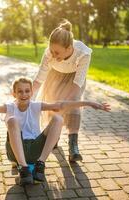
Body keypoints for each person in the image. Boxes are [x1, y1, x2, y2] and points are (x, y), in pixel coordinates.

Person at [0, 77, 110, 185]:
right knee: (12, 120)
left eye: (27, 91)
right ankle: (23, 168)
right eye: (20, 91)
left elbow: (62, 104)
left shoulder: (36, 105)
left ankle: (40, 165)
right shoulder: (10, 107)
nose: (24, 94)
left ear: (31, 92)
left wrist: (89, 103)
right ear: (14, 93)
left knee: (58, 118)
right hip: (17, 152)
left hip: (36, 149)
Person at [32, 19, 93, 162]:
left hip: (74, 80)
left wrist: (67, 101)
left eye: (57, 52)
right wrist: (27, 96)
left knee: (73, 106)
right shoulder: (49, 53)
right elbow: (39, 78)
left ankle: (73, 146)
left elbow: (78, 83)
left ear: (69, 47)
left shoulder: (83, 53)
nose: (53, 55)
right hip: (55, 77)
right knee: (54, 106)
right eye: (51, 51)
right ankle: (54, 136)